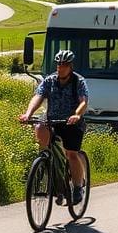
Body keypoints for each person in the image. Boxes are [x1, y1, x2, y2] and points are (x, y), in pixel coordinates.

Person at [18, 48, 89, 204]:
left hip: (71, 123)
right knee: (39, 126)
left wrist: (77, 114)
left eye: (64, 64)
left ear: (70, 66)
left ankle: (78, 186)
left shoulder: (78, 81)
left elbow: (83, 101)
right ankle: (45, 163)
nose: (60, 67)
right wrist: (28, 114)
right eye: (58, 64)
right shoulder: (50, 80)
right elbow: (38, 97)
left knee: (71, 154)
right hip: (52, 120)